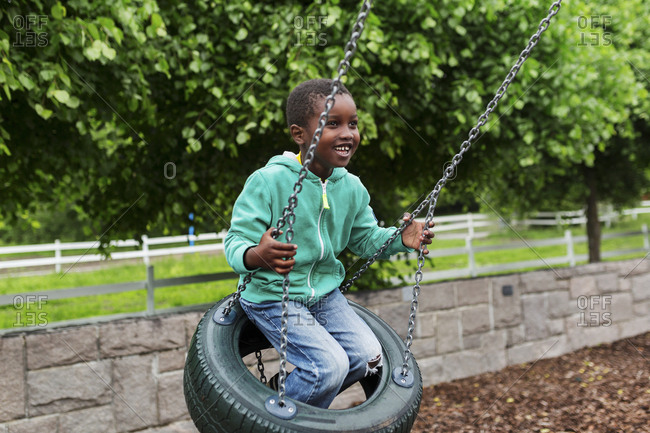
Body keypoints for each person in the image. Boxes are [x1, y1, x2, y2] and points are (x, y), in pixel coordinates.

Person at [224, 78, 434, 409]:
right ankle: (271, 419)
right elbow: (234, 241)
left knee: (368, 356)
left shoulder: (351, 187)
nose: (347, 133)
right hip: (272, 296)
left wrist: (400, 239)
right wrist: (255, 256)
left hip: (324, 295)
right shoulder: (269, 181)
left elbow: (365, 239)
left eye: (353, 123)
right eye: (332, 124)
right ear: (299, 134)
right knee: (329, 367)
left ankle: (287, 389)